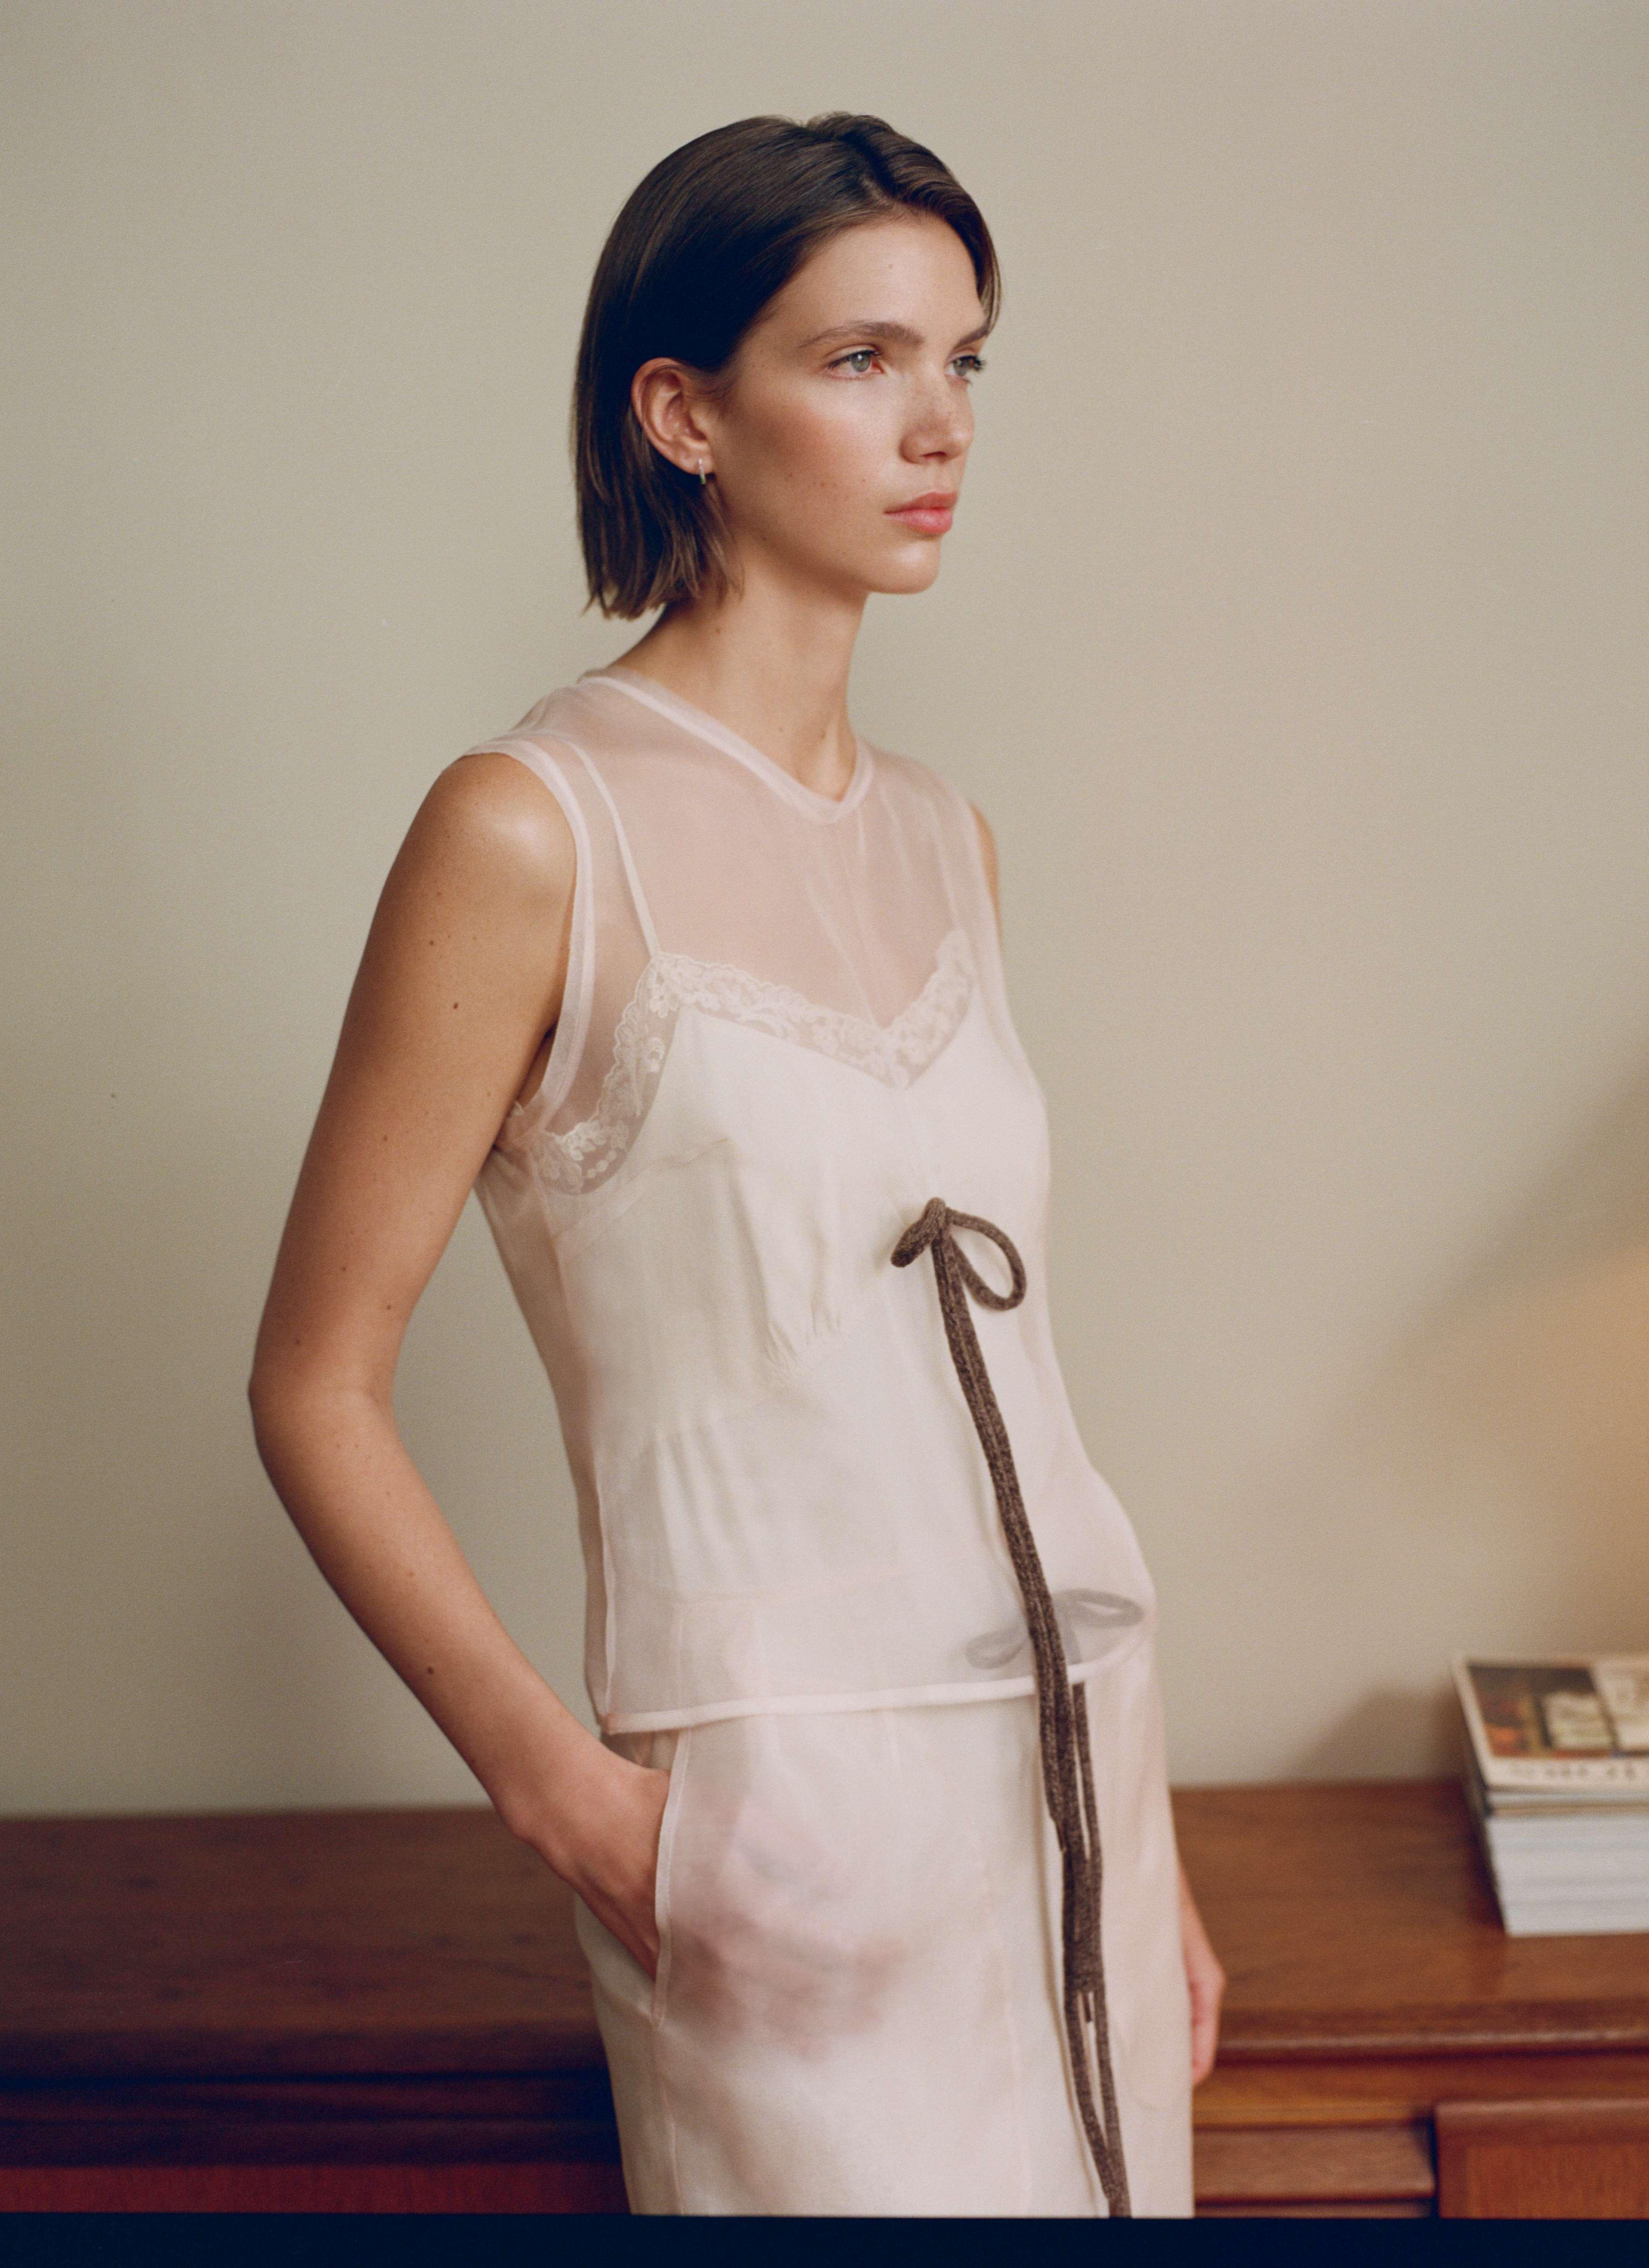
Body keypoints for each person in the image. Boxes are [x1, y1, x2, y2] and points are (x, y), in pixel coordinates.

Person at [249, 111, 1225, 2217]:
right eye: (862, 359)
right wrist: (585, 1813)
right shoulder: (530, 832)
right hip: (784, 1833)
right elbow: (313, 1385)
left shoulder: (951, 843)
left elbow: (1014, 1388)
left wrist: (1143, 1856)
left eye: (964, 359)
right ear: (683, 412)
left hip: (1086, 1787)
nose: (941, 423)